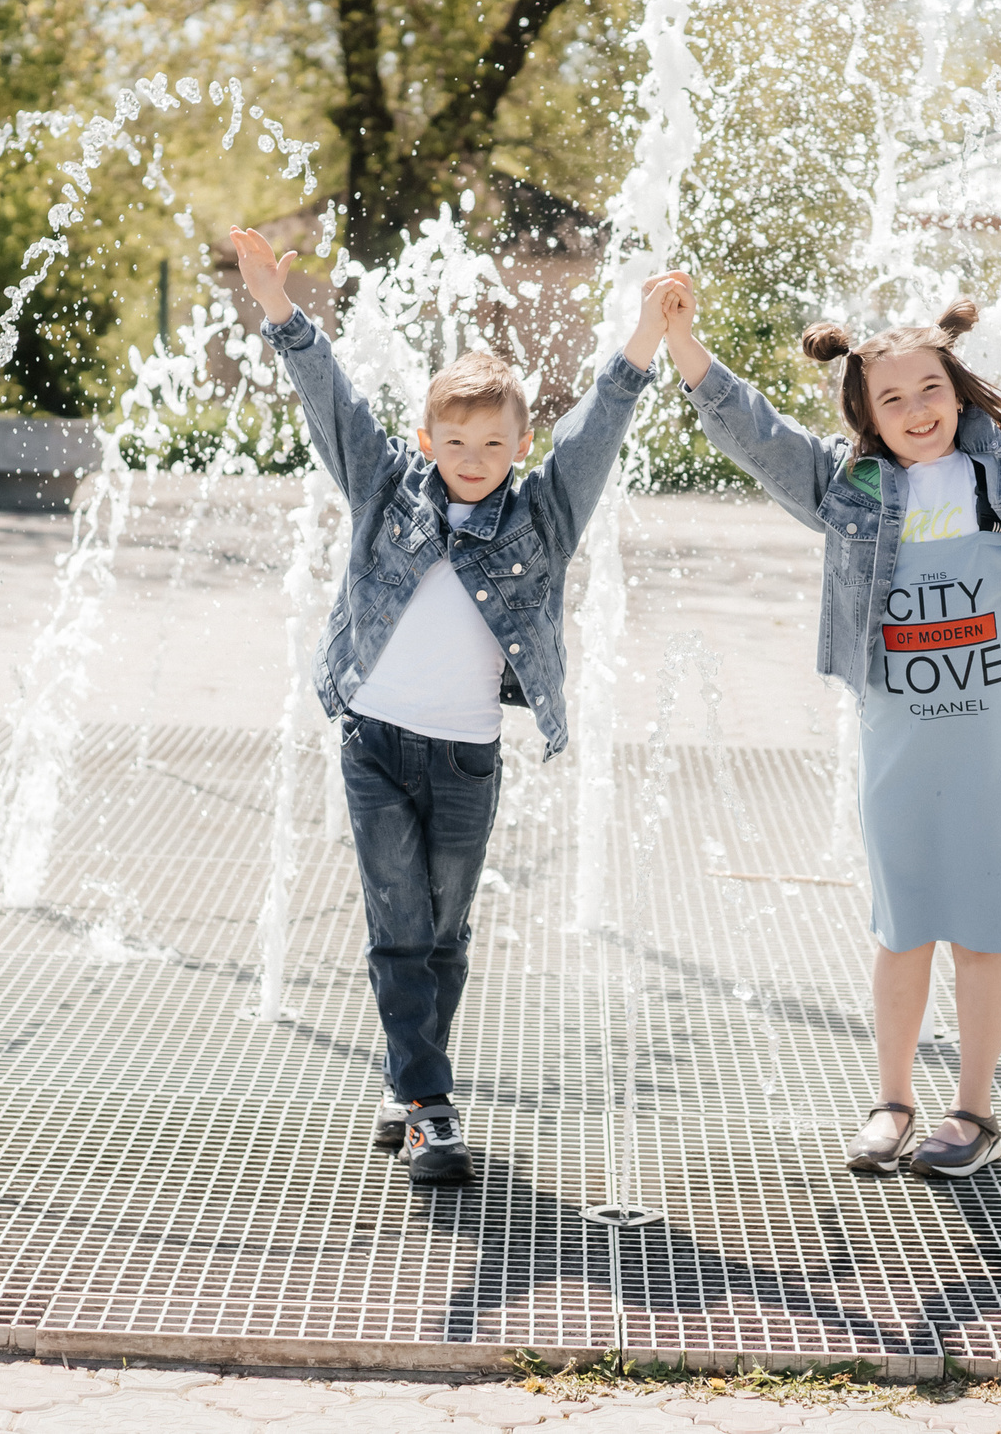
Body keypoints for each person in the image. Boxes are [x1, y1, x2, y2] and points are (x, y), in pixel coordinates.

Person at [655, 180, 1001, 1177]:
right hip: (902, 747)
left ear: (957, 385)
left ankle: (971, 1114)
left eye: (928, 390)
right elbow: (757, 435)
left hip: (997, 744)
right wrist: (686, 349)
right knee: (904, 931)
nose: (914, 411)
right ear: (865, 411)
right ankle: (891, 1099)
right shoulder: (850, 492)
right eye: (889, 399)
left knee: (985, 930)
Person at [230, 226, 681, 1184]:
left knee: (444, 931)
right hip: (377, 745)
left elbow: (600, 426)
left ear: (521, 444)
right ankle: (432, 1108)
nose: (472, 458)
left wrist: (644, 337)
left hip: (468, 757)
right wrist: (278, 303)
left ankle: (405, 1075)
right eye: (455, 441)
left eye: (493, 442)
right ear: (427, 440)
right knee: (397, 922)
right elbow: (332, 401)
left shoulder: (542, 514)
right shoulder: (388, 487)